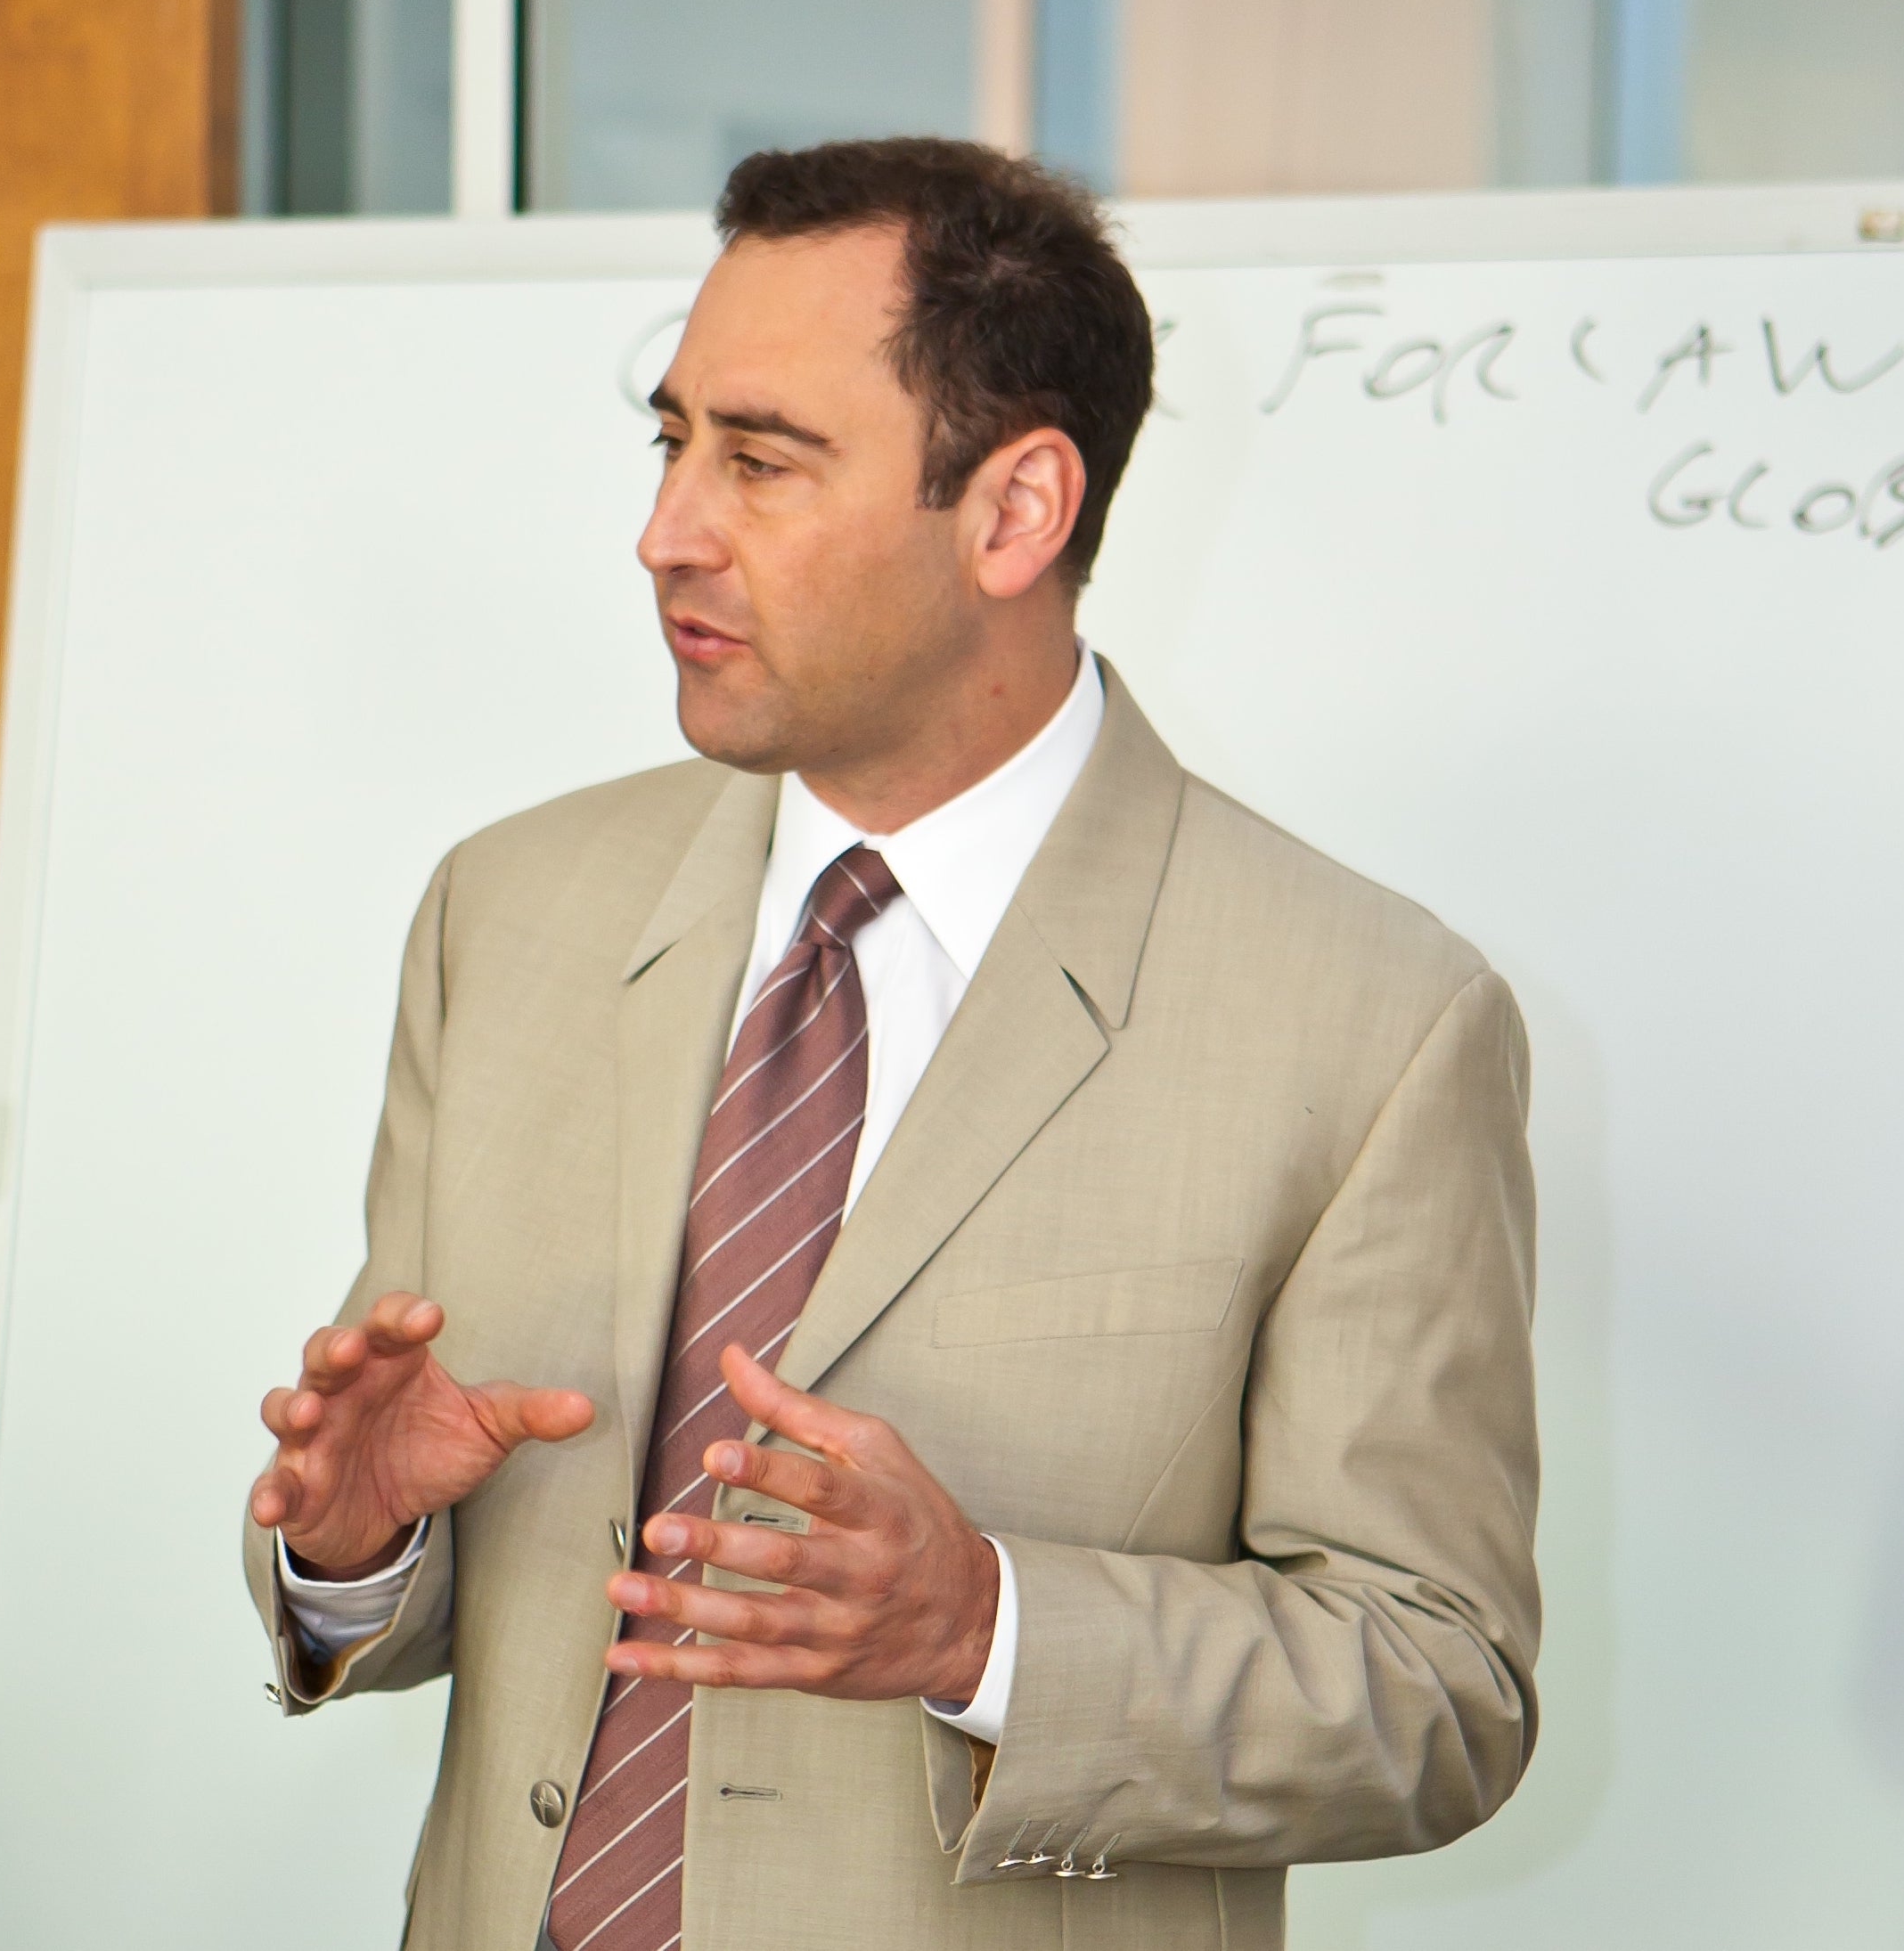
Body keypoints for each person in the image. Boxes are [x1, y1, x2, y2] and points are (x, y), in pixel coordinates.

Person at [242, 136, 1539, 1951]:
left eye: (759, 459)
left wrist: (983, 1626)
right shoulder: (507, 911)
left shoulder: (1374, 1018)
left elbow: (1439, 1685)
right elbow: (441, 1585)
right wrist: (352, 1548)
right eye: (669, 438)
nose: (664, 528)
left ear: (1013, 512)